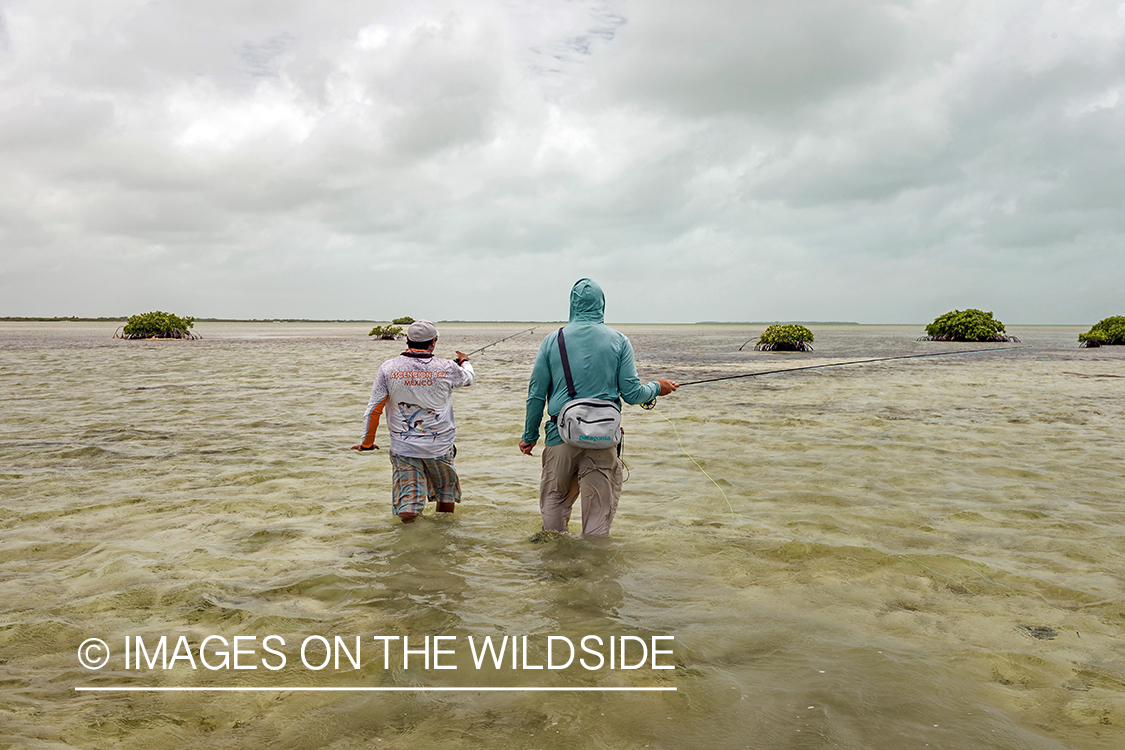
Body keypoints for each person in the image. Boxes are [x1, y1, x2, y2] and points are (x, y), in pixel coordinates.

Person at [519, 279, 677, 535]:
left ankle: (553, 568)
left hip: (559, 436)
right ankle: (594, 570)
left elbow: (536, 395)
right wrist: (658, 386)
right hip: (603, 439)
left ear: (572, 304)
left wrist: (529, 436)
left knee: (554, 505)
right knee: (597, 518)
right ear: (602, 304)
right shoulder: (619, 340)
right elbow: (633, 394)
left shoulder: (552, 340)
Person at [352, 320, 474, 523]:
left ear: (407, 340)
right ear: (433, 342)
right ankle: (442, 537)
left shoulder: (388, 368)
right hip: (440, 447)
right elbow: (468, 379)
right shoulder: (446, 366)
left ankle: (410, 540)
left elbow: (374, 410)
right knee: (445, 494)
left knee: (407, 507)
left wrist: (367, 443)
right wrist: (464, 361)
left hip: (404, 448)